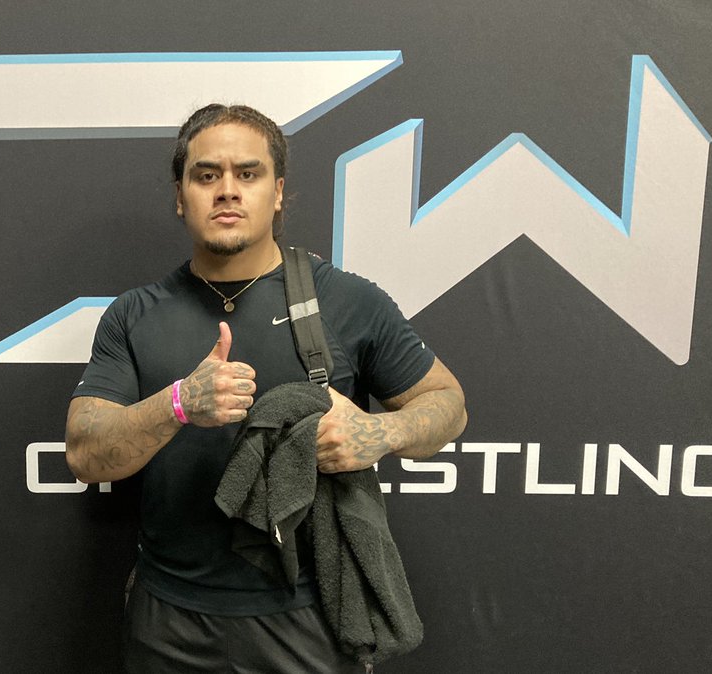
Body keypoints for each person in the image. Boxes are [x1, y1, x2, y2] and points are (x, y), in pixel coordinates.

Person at [65, 103, 467, 673]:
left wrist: (380, 433)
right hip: (168, 617)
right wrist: (178, 403)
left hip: (307, 620)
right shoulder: (135, 315)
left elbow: (448, 404)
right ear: (180, 196)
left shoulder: (348, 301)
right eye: (206, 175)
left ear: (278, 193)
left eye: (248, 173)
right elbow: (85, 453)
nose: (227, 190)